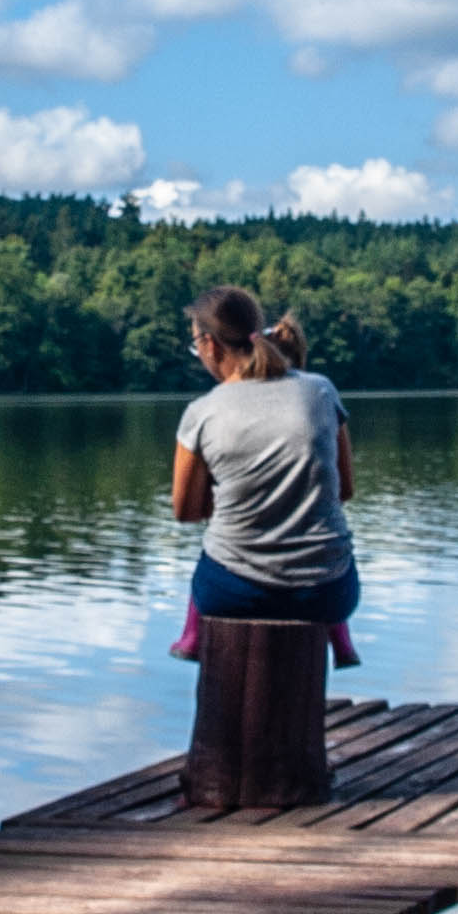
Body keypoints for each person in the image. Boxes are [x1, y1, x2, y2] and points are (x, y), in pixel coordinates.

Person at [166, 286, 360, 669]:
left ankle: (193, 641)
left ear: (209, 344)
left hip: (234, 593)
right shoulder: (320, 391)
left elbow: (186, 512)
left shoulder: (202, 413)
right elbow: (345, 489)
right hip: (329, 592)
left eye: (195, 345)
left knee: (214, 553)